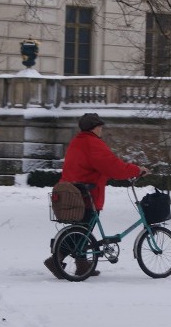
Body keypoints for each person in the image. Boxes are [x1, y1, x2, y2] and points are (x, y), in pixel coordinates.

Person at [44, 113, 148, 278]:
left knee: (83, 232)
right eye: (100, 127)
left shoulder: (77, 141)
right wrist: (136, 170)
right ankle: (55, 260)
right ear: (95, 127)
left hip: (72, 192)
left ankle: (82, 265)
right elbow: (111, 165)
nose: (101, 130)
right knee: (83, 232)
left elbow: (97, 166)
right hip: (86, 194)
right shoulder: (93, 143)